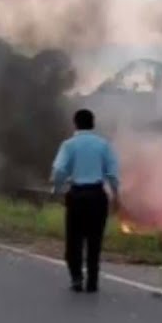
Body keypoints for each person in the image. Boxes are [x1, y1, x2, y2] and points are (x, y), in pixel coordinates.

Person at [50, 108, 120, 293]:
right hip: (97, 196)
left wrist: (57, 189)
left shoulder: (69, 145)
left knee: (74, 240)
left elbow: (59, 171)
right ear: (93, 124)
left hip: (77, 196)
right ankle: (92, 281)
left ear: (75, 124)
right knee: (94, 241)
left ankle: (76, 278)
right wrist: (116, 195)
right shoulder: (103, 145)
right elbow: (112, 174)